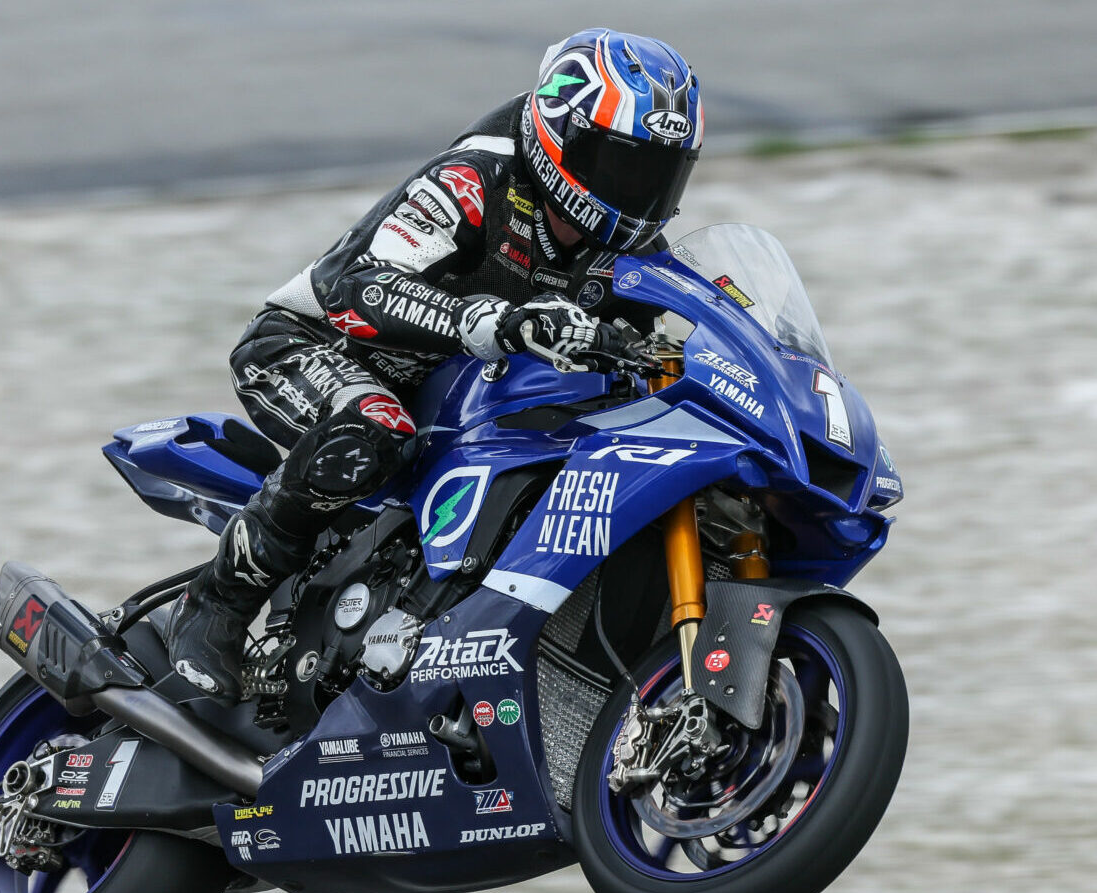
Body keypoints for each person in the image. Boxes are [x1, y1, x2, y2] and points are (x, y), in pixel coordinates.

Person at [167, 28, 704, 700]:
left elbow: (678, 323)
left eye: (660, 175)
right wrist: (490, 321)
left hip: (443, 392)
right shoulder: (477, 175)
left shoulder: (629, 246)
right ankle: (216, 602)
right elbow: (360, 286)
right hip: (315, 346)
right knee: (377, 426)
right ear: (561, 136)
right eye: (625, 165)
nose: (639, 194)